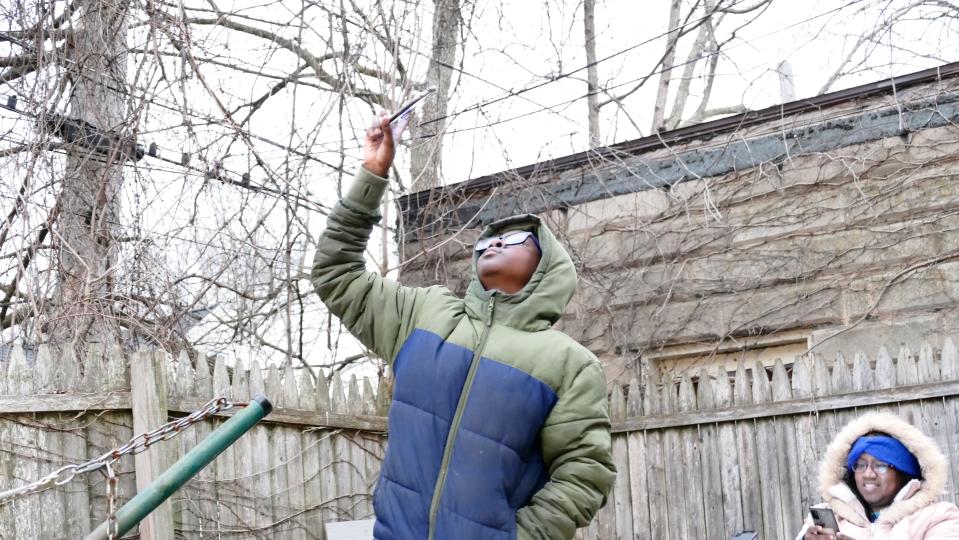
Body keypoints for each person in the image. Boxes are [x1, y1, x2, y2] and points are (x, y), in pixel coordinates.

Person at [311, 113, 616, 540]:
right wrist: (372, 175)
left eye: (512, 240)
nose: (493, 242)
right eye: (488, 239)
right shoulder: (425, 314)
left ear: (546, 264)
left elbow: (585, 472)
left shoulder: (567, 364)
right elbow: (335, 273)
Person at [797, 412, 959, 539]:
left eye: (881, 465)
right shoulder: (825, 515)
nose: (868, 474)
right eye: (860, 465)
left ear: (903, 472)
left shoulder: (939, 517)